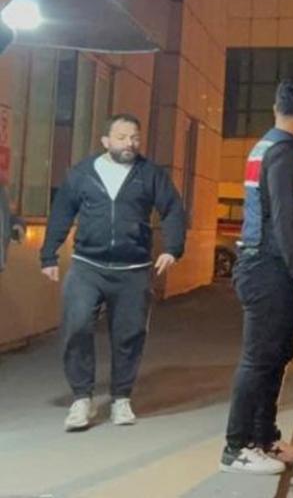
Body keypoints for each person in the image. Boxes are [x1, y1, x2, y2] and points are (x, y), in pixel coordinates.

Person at [39, 114, 186, 431]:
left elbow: (173, 209)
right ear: (105, 141)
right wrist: (48, 254)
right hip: (87, 266)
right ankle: (82, 398)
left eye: (134, 137)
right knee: (77, 326)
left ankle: (121, 398)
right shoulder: (82, 173)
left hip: (133, 270)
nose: (129, 143)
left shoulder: (150, 174)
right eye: (121, 137)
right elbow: (62, 211)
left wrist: (172, 249)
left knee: (129, 335)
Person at [221, 79, 293, 476]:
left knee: (276, 355)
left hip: (264, 264)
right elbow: (284, 218)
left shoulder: (268, 147)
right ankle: (237, 447)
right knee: (260, 359)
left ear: (275, 108)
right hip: (269, 267)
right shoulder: (286, 154)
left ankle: (264, 438)